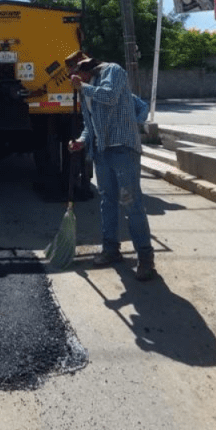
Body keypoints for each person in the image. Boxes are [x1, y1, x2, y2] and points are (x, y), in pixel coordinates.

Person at [65, 51, 157, 280]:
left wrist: (83, 88)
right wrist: (81, 141)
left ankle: (145, 258)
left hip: (122, 150)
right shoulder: (85, 89)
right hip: (102, 152)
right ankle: (111, 250)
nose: (75, 80)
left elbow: (109, 96)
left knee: (129, 201)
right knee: (107, 202)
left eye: (77, 74)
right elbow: (90, 124)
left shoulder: (113, 71)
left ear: (86, 68)